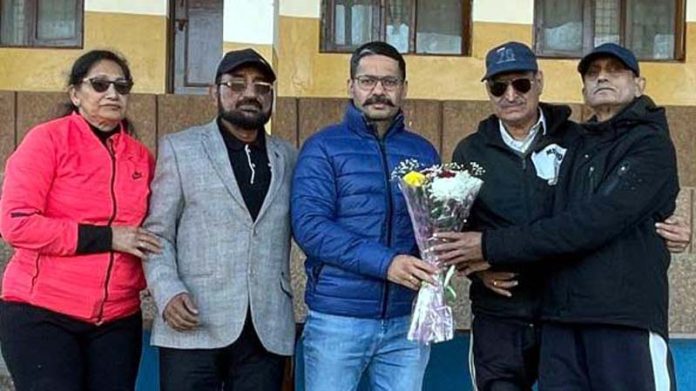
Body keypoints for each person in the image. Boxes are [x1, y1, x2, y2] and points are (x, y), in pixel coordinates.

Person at [435, 43, 681, 390]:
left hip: (614, 317)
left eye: (520, 84)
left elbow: (595, 219)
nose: (510, 95)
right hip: (539, 318)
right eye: (498, 87)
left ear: (539, 82)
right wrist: (478, 267)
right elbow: (459, 232)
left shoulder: (586, 139)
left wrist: (490, 246)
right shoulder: (473, 150)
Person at [0, 50, 159, 390]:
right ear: (75, 94)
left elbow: (155, 228)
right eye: (99, 85)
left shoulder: (141, 157)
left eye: (121, 86)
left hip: (117, 317)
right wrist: (107, 237)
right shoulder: (47, 141)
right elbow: (18, 224)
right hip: (42, 310)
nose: (112, 94)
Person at [142, 48, 296, 391]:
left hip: (265, 328)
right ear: (215, 91)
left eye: (262, 87)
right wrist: (167, 293)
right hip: (192, 318)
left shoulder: (288, 156)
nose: (250, 94)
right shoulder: (181, 149)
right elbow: (158, 235)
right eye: (236, 84)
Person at [291, 41, 440, 391]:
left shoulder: (422, 150)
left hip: (406, 320)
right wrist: (387, 263)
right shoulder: (323, 147)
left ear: (404, 89)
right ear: (351, 87)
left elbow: (433, 226)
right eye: (367, 80)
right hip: (338, 319)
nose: (378, 91)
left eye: (389, 82)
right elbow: (311, 227)